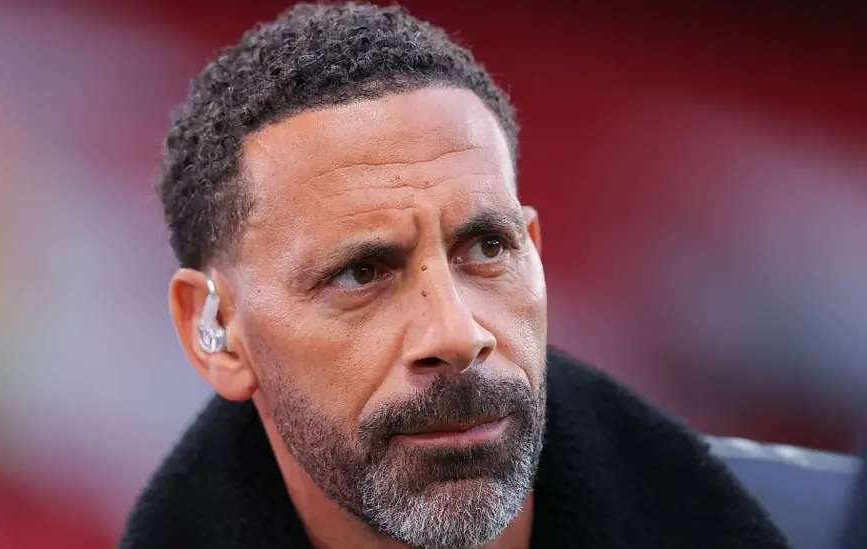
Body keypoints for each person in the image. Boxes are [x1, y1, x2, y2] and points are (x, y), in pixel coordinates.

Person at [120, 3, 790, 548]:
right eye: (360, 273)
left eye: (488, 247)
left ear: (533, 249)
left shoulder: (821, 526)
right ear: (217, 330)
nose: (457, 334)